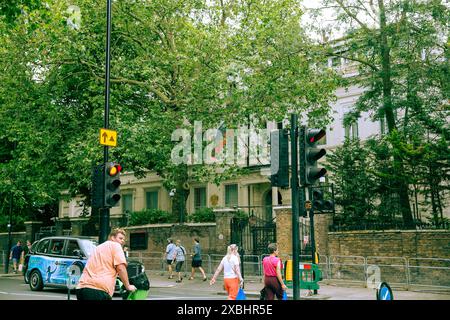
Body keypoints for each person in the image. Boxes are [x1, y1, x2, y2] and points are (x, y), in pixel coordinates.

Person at [76, 228, 136, 300]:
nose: (122, 241)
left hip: (81, 288)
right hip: (98, 290)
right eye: (120, 238)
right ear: (112, 237)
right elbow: (120, 268)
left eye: (123, 239)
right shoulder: (116, 246)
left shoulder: (98, 248)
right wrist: (128, 286)